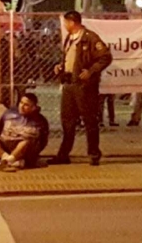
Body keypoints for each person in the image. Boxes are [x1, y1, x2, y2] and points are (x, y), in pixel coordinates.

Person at [49, 11, 112, 166]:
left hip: (84, 86)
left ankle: (94, 153)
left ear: (72, 22)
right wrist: (61, 67)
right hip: (69, 84)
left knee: (89, 120)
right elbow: (68, 58)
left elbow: (105, 57)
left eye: (66, 22)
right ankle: (64, 154)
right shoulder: (69, 39)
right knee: (68, 121)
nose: (64, 25)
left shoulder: (90, 38)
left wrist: (90, 71)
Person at [0, 93, 49, 172]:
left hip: (25, 151)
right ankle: (8, 159)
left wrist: (33, 154)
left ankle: (9, 161)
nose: (22, 107)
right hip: (5, 148)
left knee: (25, 142)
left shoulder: (41, 121)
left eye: (26, 105)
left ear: (33, 108)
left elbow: (43, 141)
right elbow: (0, 130)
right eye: (21, 103)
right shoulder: (8, 114)